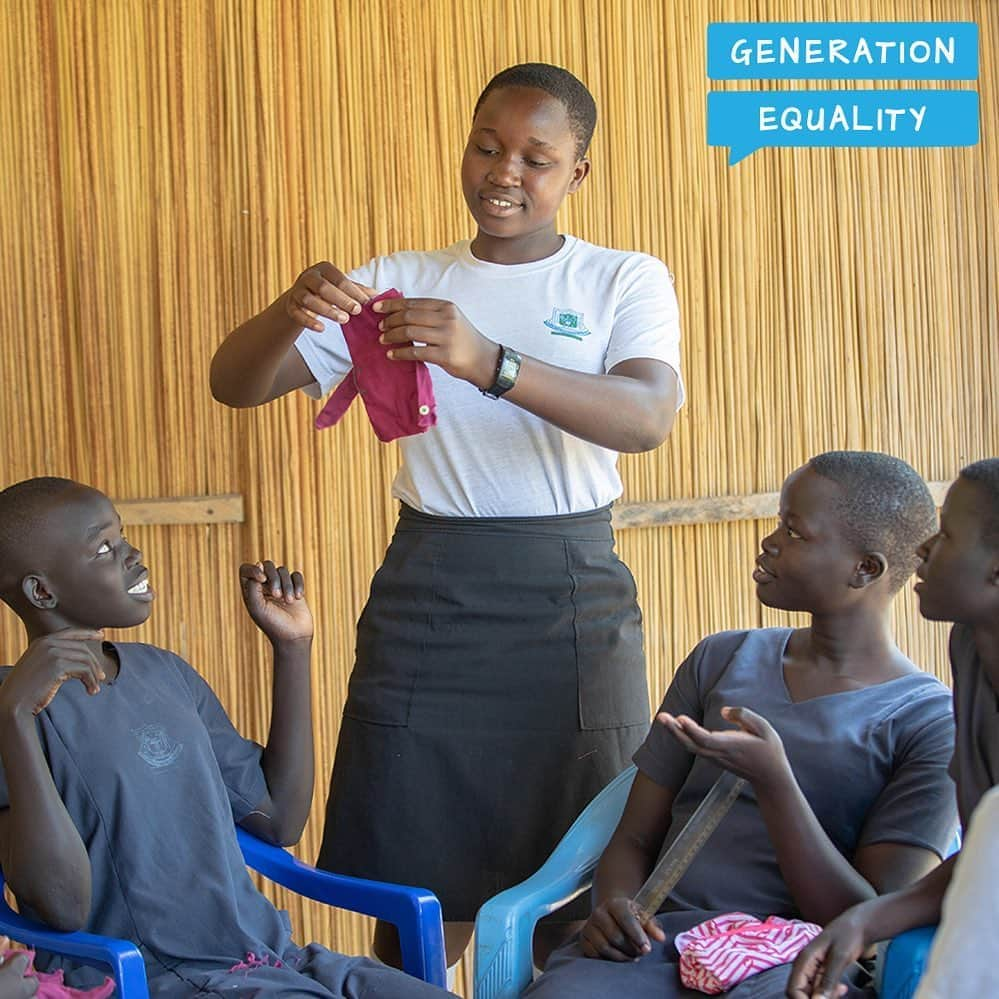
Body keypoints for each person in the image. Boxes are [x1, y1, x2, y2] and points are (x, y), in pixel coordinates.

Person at [209, 62, 683, 969]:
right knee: (411, 877)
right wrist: (287, 309)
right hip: (429, 597)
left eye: (536, 158)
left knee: (571, 878)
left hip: (569, 600)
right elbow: (235, 385)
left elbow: (646, 418)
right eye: (486, 146)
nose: (505, 171)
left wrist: (488, 361)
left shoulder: (620, 279)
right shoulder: (400, 279)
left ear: (576, 173)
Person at [525, 452, 958, 999]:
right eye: (778, 521)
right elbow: (635, 834)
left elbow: (867, 921)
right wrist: (615, 906)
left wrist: (775, 783)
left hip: (796, 965)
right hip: (660, 946)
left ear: (864, 569)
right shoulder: (722, 660)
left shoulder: (925, 720)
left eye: (795, 531)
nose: (769, 541)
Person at [0, 477, 453, 998]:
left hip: (270, 959)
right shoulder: (11, 704)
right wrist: (13, 715)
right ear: (42, 592)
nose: (134, 554)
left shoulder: (165, 673)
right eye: (105, 547)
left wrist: (293, 649)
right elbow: (60, 908)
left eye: (124, 537)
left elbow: (279, 819)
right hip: (150, 978)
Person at [787, 458, 999, 999]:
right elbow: (983, 853)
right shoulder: (971, 648)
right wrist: (866, 921)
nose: (924, 549)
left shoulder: (917, 710)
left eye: (948, 534)